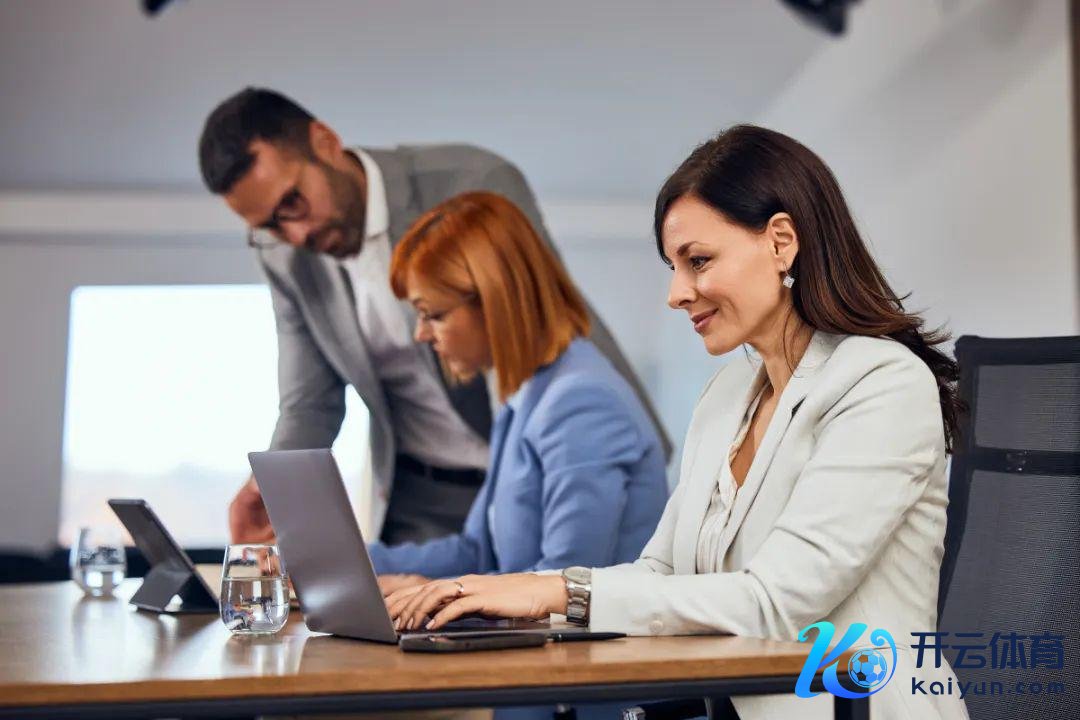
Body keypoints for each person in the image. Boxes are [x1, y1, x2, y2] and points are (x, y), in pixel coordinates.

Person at [385, 125, 970, 720]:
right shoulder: (728, 394)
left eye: (698, 261)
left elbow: (774, 601)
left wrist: (555, 589)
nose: (676, 293)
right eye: (674, 266)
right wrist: (520, 596)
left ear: (781, 242)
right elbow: (660, 570)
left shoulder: (881, 383)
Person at [197, 88, 671, 546]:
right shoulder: (285, 256)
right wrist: (275, 488)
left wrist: (518, 491)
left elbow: (524, 325)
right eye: (269, 227)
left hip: (542, 465)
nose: (295, 235)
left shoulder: (470, 180)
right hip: (421, 494)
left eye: (292, 202)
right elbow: (310, 402)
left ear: (325, 142)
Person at [370, 191, 668, 602]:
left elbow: (564, 581)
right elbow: (476, 551)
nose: (421, 334)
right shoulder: (528, 395)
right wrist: (353, 562)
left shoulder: (580, 401)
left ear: (494, 302)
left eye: (433, 315)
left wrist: (439, 591)